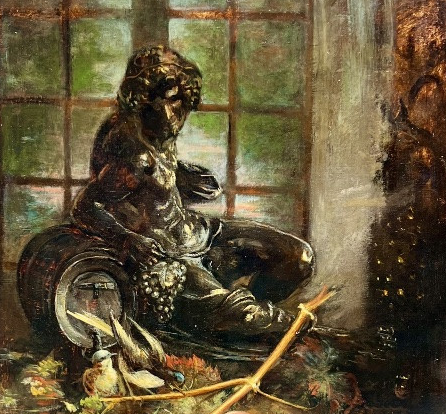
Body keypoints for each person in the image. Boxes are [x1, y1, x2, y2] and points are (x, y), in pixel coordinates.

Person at [70, 45, 315, 340]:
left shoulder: (160, 130)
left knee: (298, 258)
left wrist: (182, 176)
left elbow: (152, 189)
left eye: (185, 102)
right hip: (172, 260)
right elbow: (84, 206)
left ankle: (231, 312)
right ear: (144, 99)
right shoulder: (132, 153)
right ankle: (232, 316)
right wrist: (128, 241)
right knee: (255, 319)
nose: (182, 112)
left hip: (202, 234)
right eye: (174, 101)